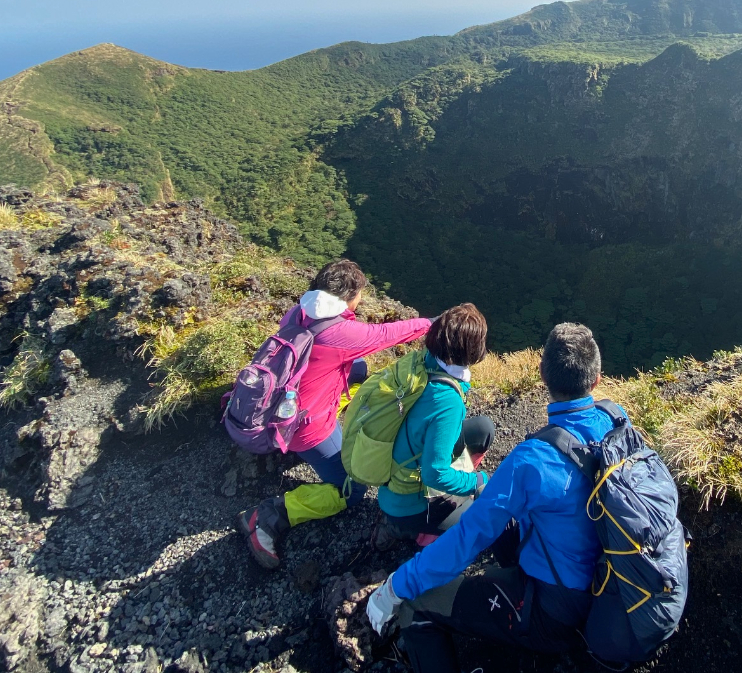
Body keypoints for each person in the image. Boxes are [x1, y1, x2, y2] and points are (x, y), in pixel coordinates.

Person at [366, 323, 623, 673]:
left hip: (554, 612)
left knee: (418, 605)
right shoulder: (618, 424)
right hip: (613, 589)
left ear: (542, 374)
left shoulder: (532, 460)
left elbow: (468, 537)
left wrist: (396, 586)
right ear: (596, 380)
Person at [236, 259, 431, 570]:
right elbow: (385, 335)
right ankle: (271, 515)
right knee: (351, 489)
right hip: (306, 428)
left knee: (359, 368)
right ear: (349, 297)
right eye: (359, 296)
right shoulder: (341, 331)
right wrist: (432, 324)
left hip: (280, 400)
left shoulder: (299, 312)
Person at [373, 303, 496, 549]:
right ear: (473, 351)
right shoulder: (447, 401)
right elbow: (434, 473)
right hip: (406, 505)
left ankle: (443, 506)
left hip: (394, 474)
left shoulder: (421, 362)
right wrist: (479, 481)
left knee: (483, 428)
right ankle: (419, 531)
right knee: (487, 515)